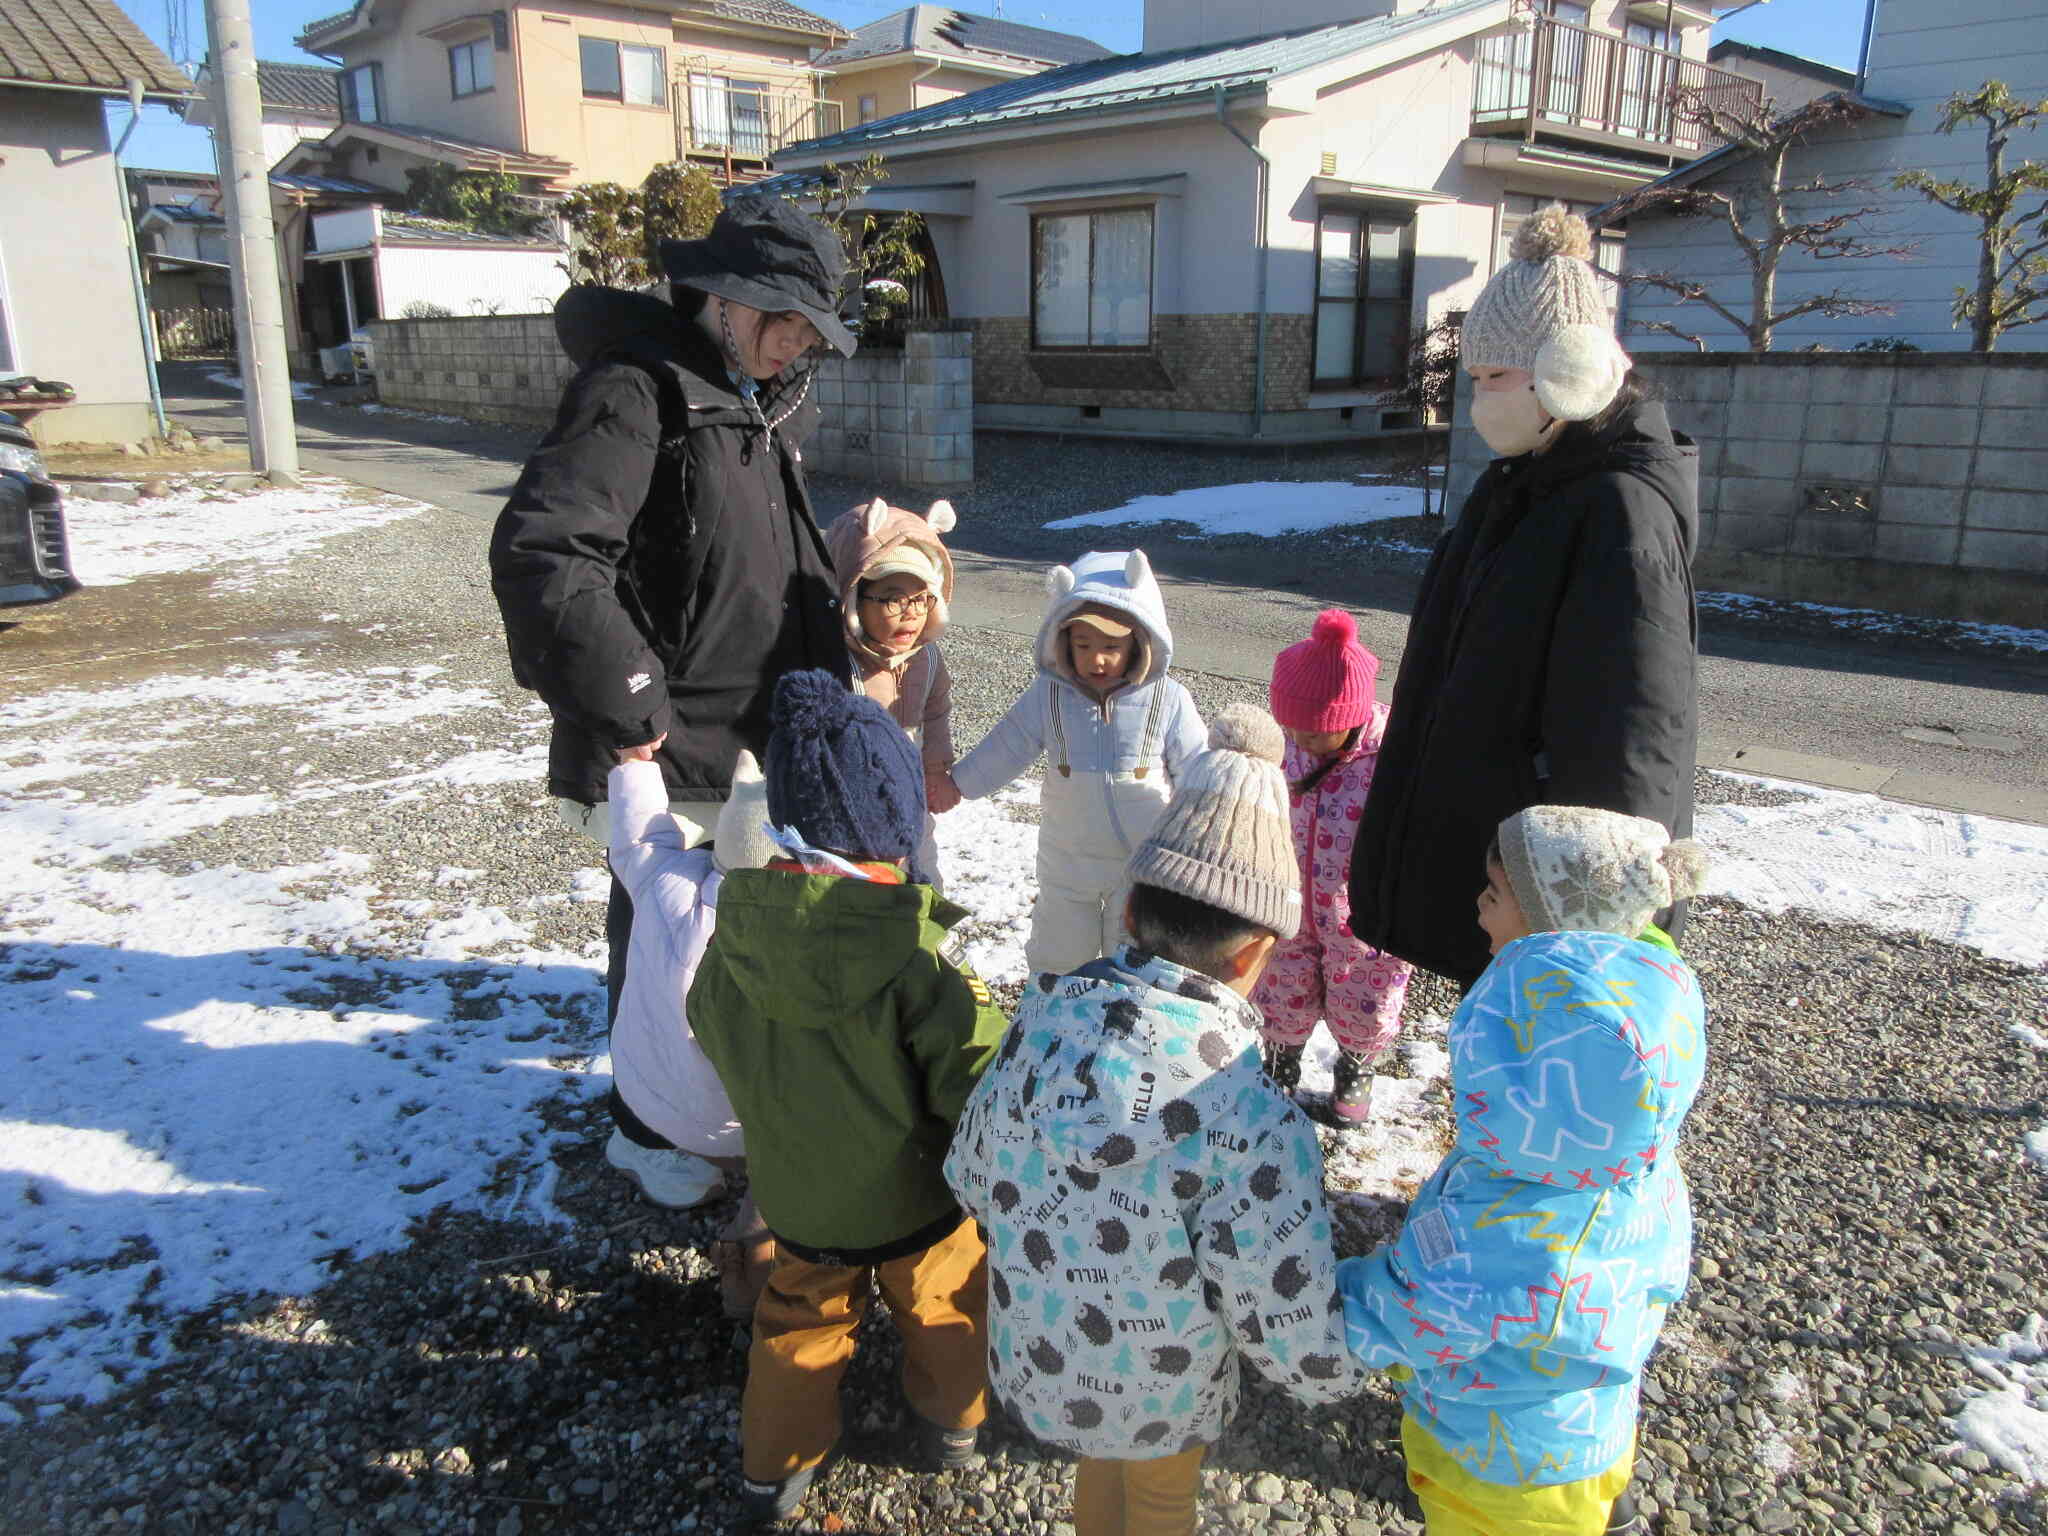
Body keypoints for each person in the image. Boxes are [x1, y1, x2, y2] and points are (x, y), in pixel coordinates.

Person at [487, 196, 856, 1215]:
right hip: (672, 735)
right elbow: (548, 549)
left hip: (753, 736)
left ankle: (719, 1101)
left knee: (728, 942)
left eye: (806, 328)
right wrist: (628, 692)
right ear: (719, 299)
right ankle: (648, 1125)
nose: (793, 343)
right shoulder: (637, 390)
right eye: (779, 318)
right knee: (655, 942)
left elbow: (746, 558)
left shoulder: (742, 395)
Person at [947, 705, 1365, 1536]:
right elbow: (1276, 1300)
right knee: (1164, 1497)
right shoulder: (1250, 1116)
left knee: (1101, 1466)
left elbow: (969, 1175)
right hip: (1165, 1383)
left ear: (1132, 912)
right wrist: (1334, 1372)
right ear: (1255, 955)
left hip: (1044, 1356)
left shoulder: (1040, 1022)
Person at [1348, 204, 1700, 990]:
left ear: (1568, 371)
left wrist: (1599, 908)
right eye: (1475, 380)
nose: (1481, 400)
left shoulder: (1617, 510)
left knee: (1539, 1050)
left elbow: (1634, 727)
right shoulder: (1522, 485)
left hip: (1547, 881)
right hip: (1508, 864)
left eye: (1494, 377)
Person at [688, 669, 1009, 1527]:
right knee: (945, 1304)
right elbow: (974, 1078)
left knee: (795, 1325)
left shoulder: (737, 944)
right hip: (917, 1200)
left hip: (797, 1201)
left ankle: (773, 1469)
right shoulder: (913, 959)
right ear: (893, 830)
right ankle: (951, 1425)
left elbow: (709, 1026)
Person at [1338, 805, 1709, 1536]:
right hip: (1586, 1436)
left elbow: (1417, 1315)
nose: (1480, 902)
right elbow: (1664, 1274)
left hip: (1498, 1469)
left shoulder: (1523, 1228)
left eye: (1497, 891)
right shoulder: (1631, 1163)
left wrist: (1321, 1296)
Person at [941, 550, 1205, 977]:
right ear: (1063, 641)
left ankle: (1123, 1028)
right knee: (1059, 953)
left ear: (1139, 642)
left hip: (1141, 865)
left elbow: (1196, 765)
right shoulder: (1049, 697)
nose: (1096, 659)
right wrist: (958, 784)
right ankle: (1053, 1016)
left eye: (1111, 647)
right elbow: (1008, 745)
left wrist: (1211, 817)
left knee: (1135, 961)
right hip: (1067, 859)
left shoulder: (1167, 699)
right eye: (1083, 645)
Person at [604, 741, 778, 1318]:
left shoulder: (667, 882)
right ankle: (755, 1255)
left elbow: (637, 839)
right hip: (736, 1130)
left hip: (649, 1102)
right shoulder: (796, 934)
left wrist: (636, 765)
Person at [1252, 608, 1413, 1125]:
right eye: (1289, 727)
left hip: (1361, 913)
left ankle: (1355, 1067)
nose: (1299, 740)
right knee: (1281, 988)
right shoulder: (1285, 749)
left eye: (1314, 733)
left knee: (1365, 994)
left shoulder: (1391, 756)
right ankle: (1278, 1066)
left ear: (1351, 719)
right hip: (1289, 900)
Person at [824, 495, 961, 883]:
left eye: (921, 598)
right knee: (861, 886)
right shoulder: (835, 664)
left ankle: (924, 929)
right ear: (852, 597)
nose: (911, 612)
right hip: (852, 805)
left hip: (911, 795)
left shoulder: (928, 660)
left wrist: (936, 770)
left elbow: (936, 715)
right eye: (892, 598)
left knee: (924, 874)